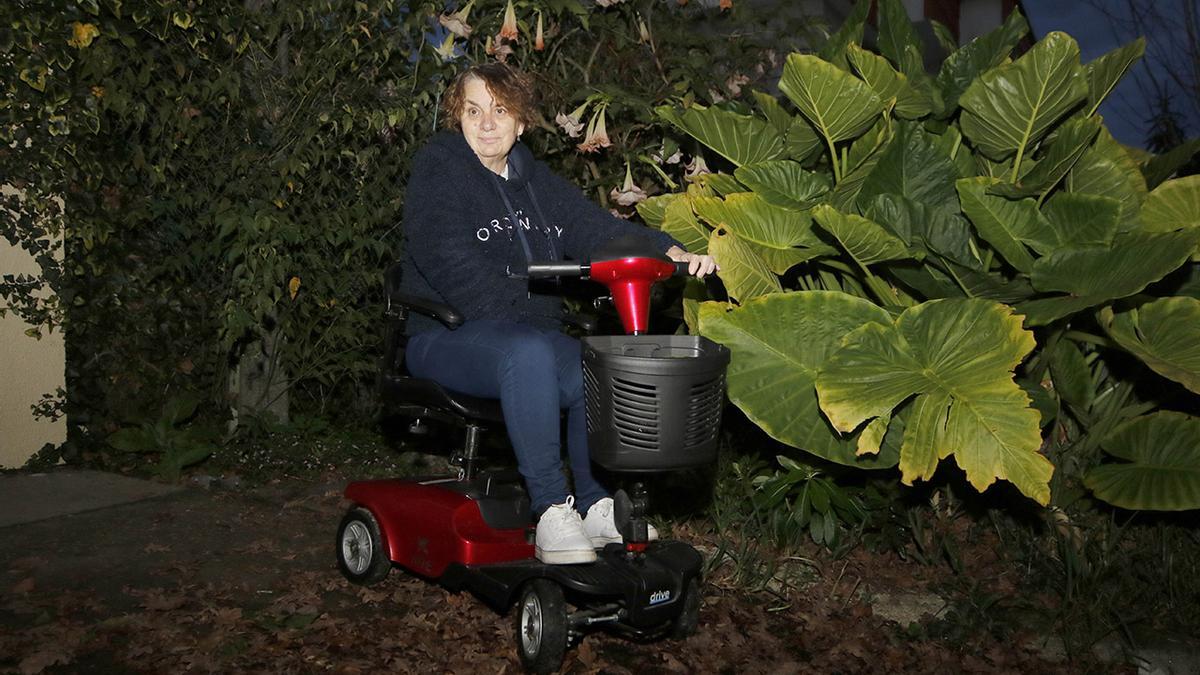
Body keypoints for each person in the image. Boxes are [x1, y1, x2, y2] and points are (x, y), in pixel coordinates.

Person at [400, 62, 716, 565]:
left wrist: (666, 250)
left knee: (597, 363)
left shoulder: (531, 178)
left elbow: (590, 227)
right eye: (473, 110)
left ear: (521, 121)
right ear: (456, 118)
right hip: (445, 337)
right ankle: (550, 508)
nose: (486, 124)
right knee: (529, 355)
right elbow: (447, 261)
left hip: (524, 341)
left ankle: (593, 505)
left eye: (500, 111)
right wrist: (526, 325)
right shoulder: (439, 170)